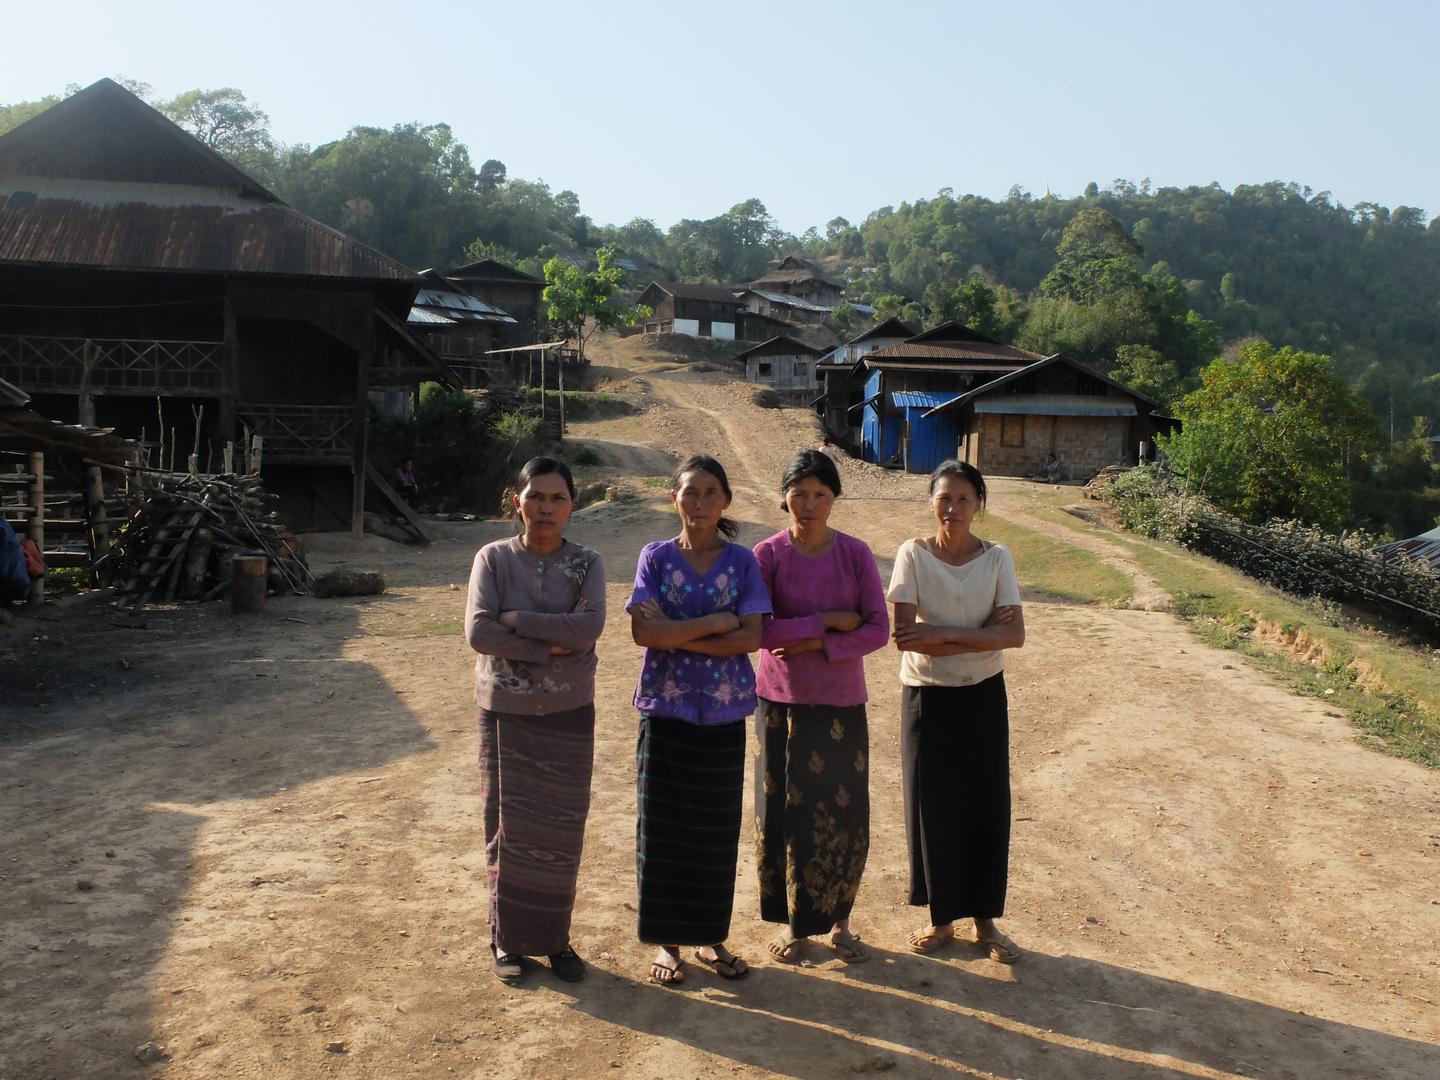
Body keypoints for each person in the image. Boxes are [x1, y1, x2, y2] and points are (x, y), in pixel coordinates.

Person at [628, 454, 771, 985]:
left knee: (714, 831)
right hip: (664, 711)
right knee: (662, 829)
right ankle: (668, 945)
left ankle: (711, 938)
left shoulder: (744, 562)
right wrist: (714, 622)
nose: (701, 502)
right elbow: (644, 634)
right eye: (691, 491)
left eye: (712, 492)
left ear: (726, 500)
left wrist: (678, 631)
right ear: (673, 497)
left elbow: (752, 638)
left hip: (724, 712)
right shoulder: (656, 558)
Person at [464, 456, 606, 984]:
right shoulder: (493, 559)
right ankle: (504, 939)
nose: (546, 508)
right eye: (536, 497)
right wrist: (552, 644)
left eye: (558, 498)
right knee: (507, 828)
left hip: (569, 711)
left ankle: (555, 940)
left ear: (572, 505)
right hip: (505, 712)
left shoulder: (588, 562)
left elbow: (589, 628)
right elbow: (479, 633)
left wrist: (519, 622)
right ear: (517, 501)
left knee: (562, 829)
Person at [887, 459, 1026, 964]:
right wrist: (978, 634)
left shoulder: (997, 559)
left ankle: (985, 921)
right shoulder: (912, 555)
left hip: (984, 694)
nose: (953, 508)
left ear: (978, 505)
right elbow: (905, 639)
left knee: (986, 804)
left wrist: (940, 633)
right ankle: (941, 920)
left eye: (963, 499)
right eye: (944, 498)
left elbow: (1014, 635)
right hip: (927, 696)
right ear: (931, 501)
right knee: (931, 806)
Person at [753, 450, 889, 965]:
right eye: (799, 494)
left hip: (840, 706)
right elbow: (761, 630)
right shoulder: (766, 555)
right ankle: (795, 929)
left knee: (842, 815)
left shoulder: (855, 554)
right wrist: (830, 620)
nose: (808, 505)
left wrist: (816, 644)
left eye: (820, 495)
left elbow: (877, 628)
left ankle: (841, 923)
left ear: (834, 499)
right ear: (784, 495)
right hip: (779, 704)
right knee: (785, 814)